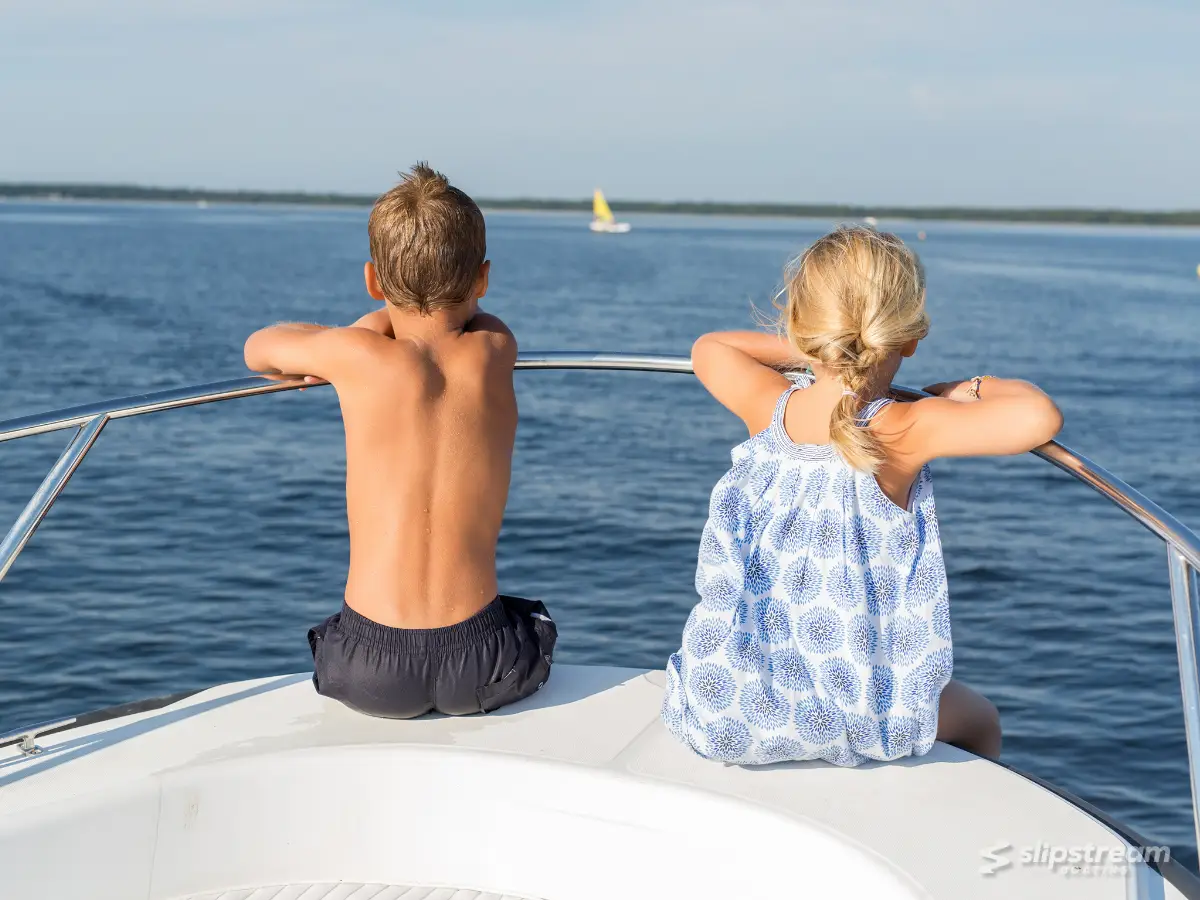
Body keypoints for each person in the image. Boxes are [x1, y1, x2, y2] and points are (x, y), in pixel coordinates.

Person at [662, 225, 1062, 765]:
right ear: (910, 337)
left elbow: (710, 347)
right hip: (851, 714)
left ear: (804, 326)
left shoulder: (768, 406)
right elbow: (1038, 417)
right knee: (981, 719)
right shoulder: (906, 427)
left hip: (721, 706)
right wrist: (968, 389)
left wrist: (819, 347)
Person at [243, 163, 555, 718]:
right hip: (483, 662)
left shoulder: (356, 355)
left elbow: (258, 349)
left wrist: (356, 336)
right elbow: (465, 326)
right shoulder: (495, 347)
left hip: (368, 665)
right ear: (483, 279)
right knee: (528, 620)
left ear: (372, 281)